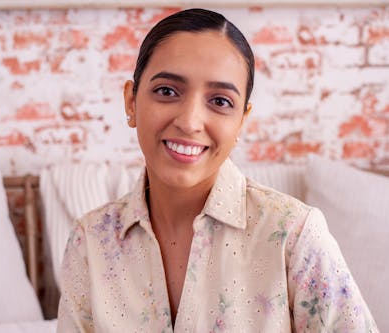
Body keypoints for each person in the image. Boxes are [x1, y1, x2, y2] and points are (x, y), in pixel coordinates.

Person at [57, 8, 378, 332]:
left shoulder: (294, 237)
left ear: (242, 120)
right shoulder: (91, 242)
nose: (189, 121)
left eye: (220, 101)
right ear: (131, 102)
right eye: (167, 91)